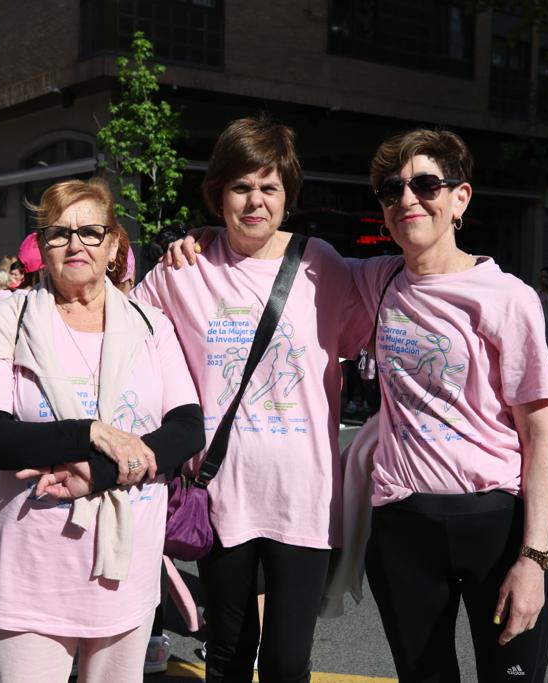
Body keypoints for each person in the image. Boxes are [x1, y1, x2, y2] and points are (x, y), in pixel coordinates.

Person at [133, 115, 373, 683]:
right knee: (227, 658)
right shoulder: (182, 271)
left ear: (288, 196)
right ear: (219, 194)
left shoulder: (324, 266)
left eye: (270, 187)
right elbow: (125, 330)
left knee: (288, 664)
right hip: (221, 494)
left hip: (304, 496)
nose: (255, 201)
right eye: (241, 186)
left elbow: (371, 331)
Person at [0, 177, 205, 682]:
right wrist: (88, 432)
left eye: (90, 232)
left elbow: (187, 429)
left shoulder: (151, 324)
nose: (75, 244)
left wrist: (103, 472)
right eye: (59, 233)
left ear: (112, 245)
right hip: (32, 568)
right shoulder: (9, 315)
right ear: (42, 247)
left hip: (125, 568)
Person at [346, 129, 548, 681]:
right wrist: (204, 239)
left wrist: (534, 558)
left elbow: (541, 435)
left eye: (425, 184)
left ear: (460, 198)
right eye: (391, 190)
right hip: (402, 527)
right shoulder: (378, 278)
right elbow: (287, 261)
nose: (406, 200)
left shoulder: (506, 297)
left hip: (495, 526)